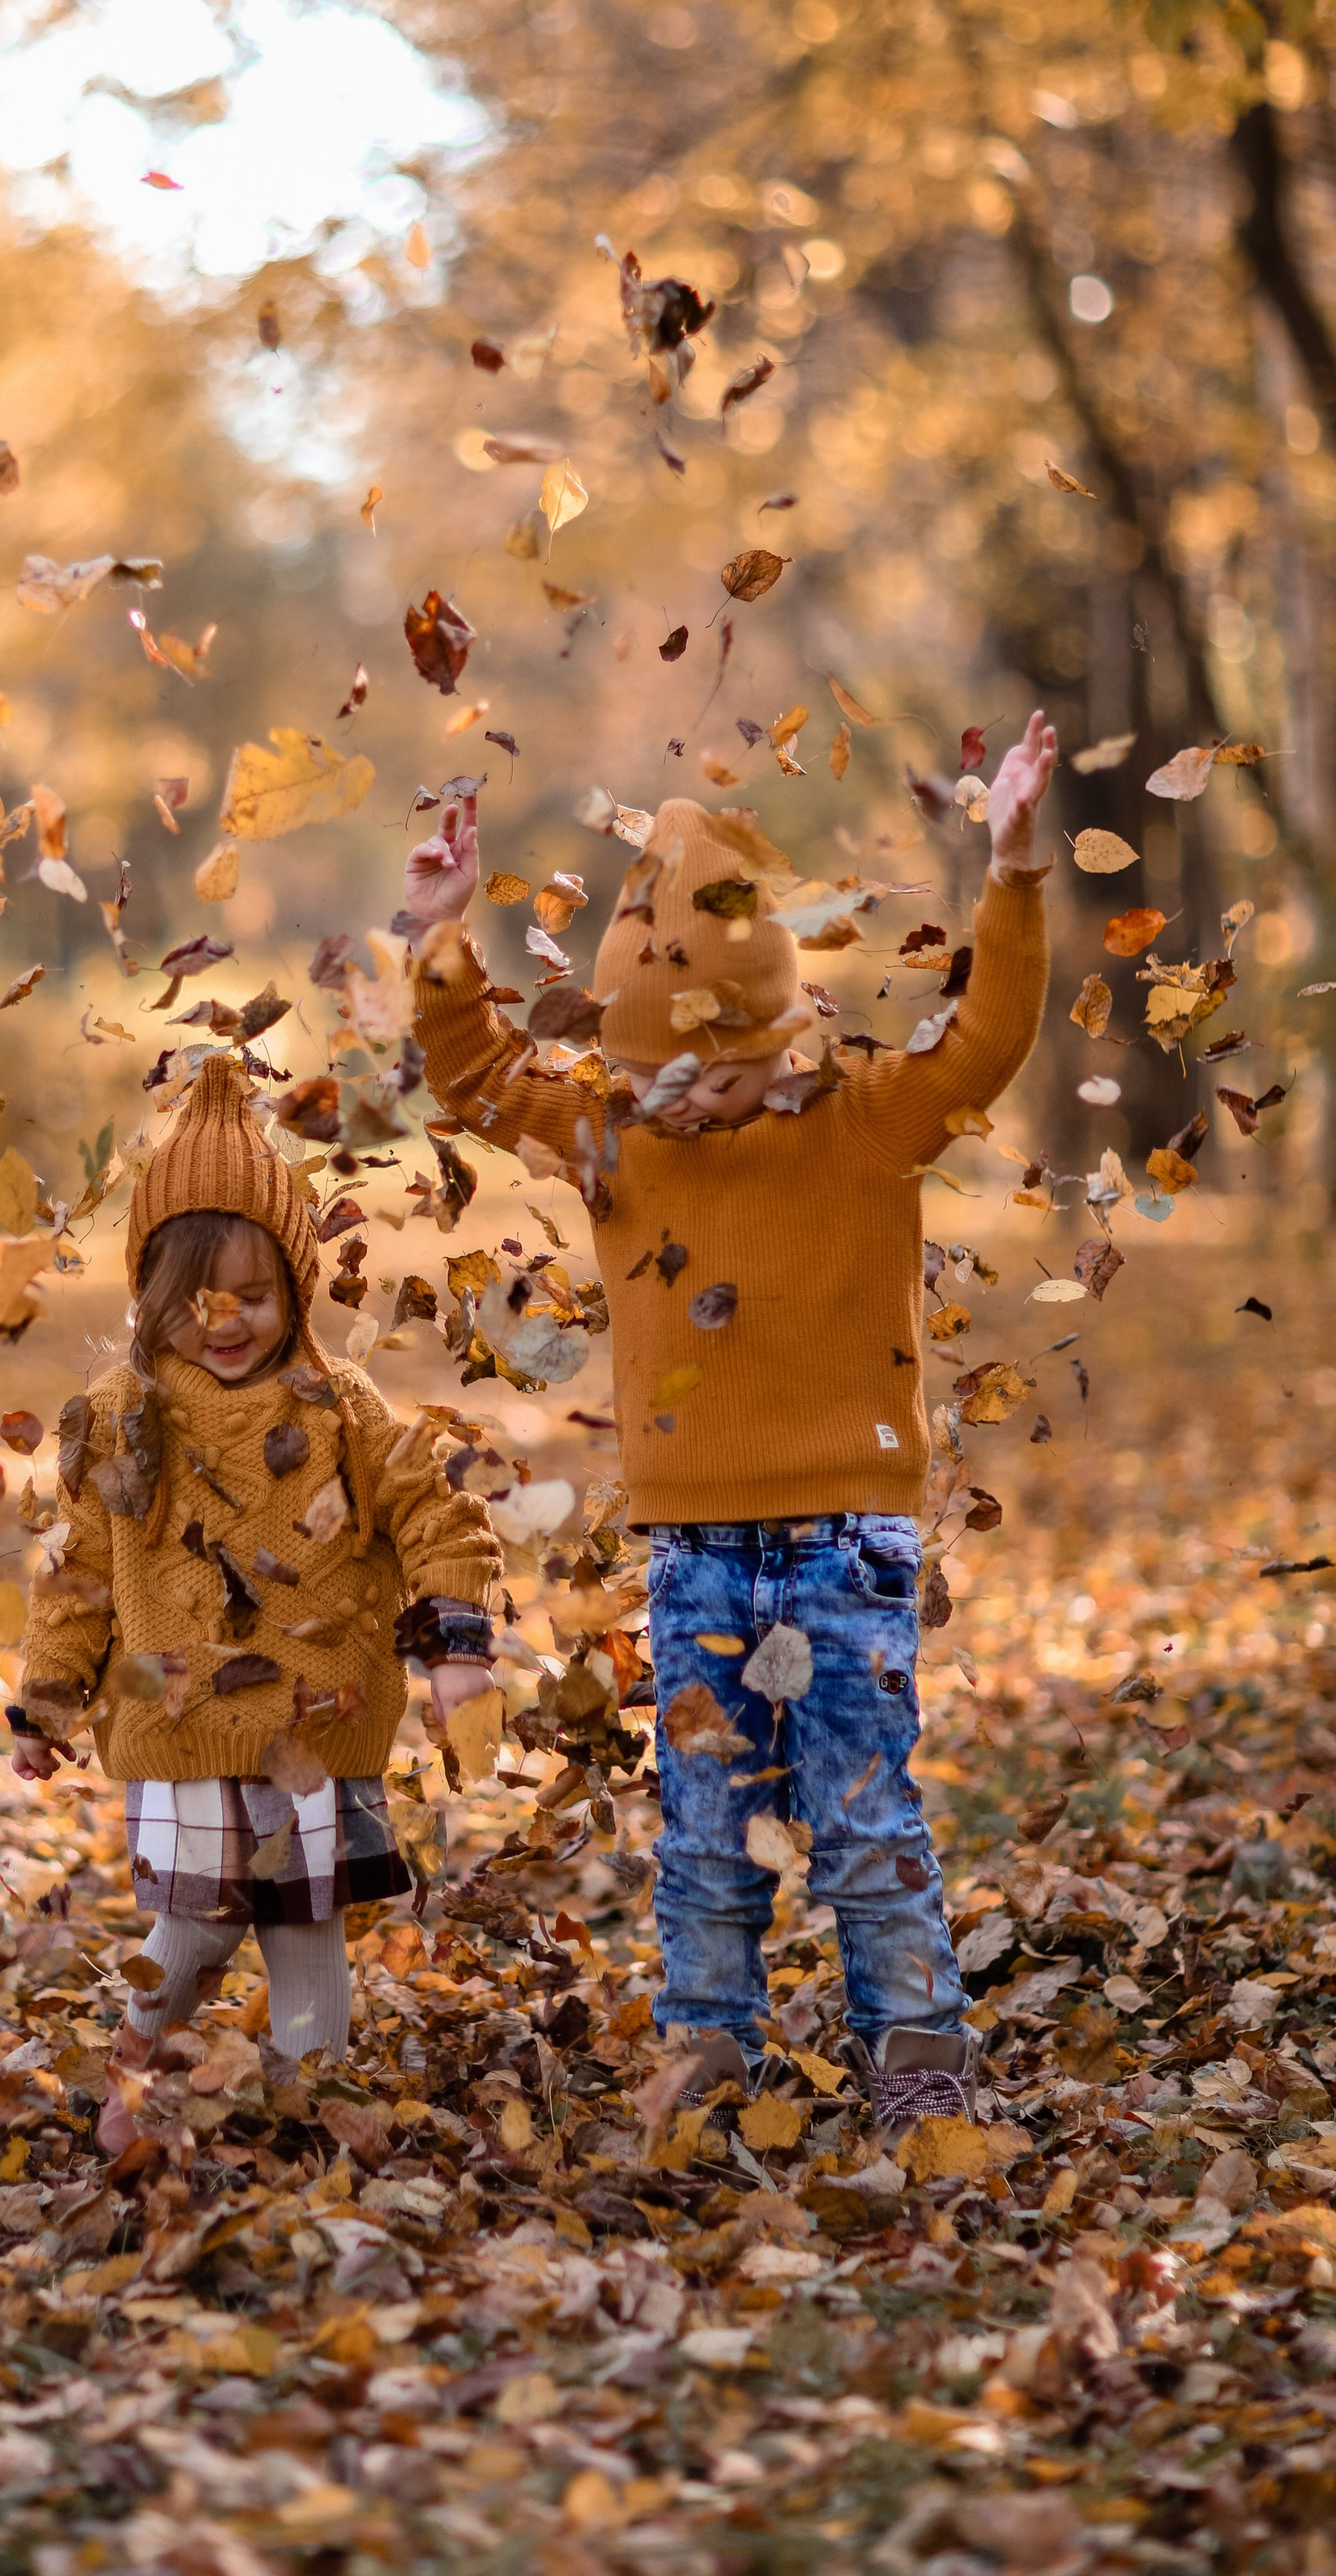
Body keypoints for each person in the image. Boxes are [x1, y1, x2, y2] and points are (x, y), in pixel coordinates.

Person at [400, 714, 1057, 2128]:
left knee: (864, 1818)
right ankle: (708, 2059)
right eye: (651, 1073)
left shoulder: (867, 1120)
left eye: (711, 1067)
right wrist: (446, 938)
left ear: (781, 1027)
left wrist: (1010, 872)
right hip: (695, 1551)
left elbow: (990, 1035)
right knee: (706, 1837)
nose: (681, 1097)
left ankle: (919, 2060)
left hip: (848, 1543)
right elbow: (478, 1080)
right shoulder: (616, 1136)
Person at [10, 1053, 499, 2113]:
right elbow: (79, 1573)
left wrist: (456, 1638)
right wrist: (48, 1695)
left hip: (318, 1731)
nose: (223, 1322)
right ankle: (133, 2083)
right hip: (185, 1727)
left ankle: (306, 2109)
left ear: (295, 1290)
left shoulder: (338, 1406)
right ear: (150, 1297)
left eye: (252, 1295)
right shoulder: (118, 1417)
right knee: (193, 1926)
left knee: (303, 1929)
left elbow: (430, 1502)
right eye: (194, 1301)